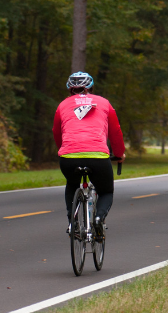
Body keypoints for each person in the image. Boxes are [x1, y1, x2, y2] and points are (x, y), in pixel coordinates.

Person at [52, 72, 125, 238]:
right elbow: (115, 132)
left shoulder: (63, 105)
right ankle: (99, 218)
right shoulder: (103, 103)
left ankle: (72, 222)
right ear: (91, 87)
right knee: (106, 191)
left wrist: (64, 149)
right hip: (97, 156)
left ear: (69, 90)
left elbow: (57, 132)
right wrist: (119, 154)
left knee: (72, 183)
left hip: (68, 156)